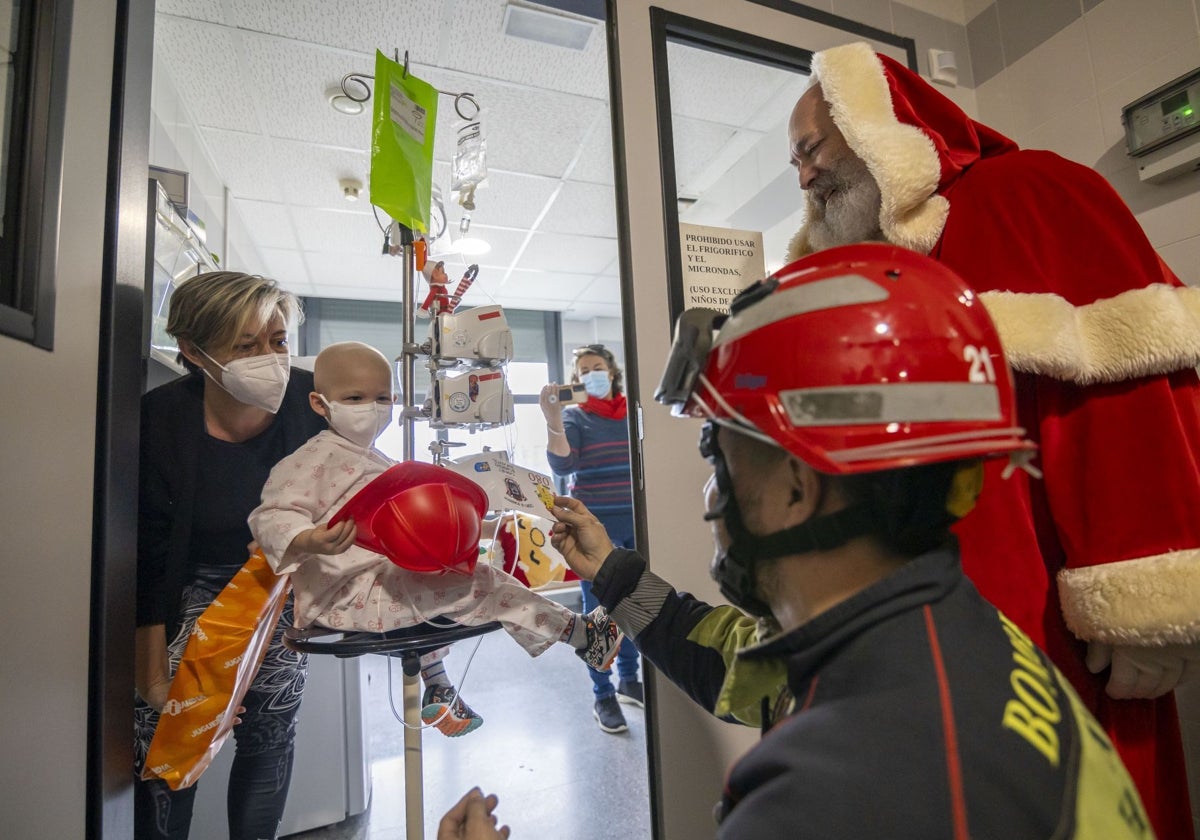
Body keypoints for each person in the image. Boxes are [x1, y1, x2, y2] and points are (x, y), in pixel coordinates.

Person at [549, 245, 1156, 837]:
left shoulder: (831, 796)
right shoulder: (939, 637)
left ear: (797, 485)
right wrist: (608, 568)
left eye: (719, 456)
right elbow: (737, 662)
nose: (711, 495)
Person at [777, 42, 1200, 838]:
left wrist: (1149, 600)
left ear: (875, 123)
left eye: (812, 148)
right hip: (918, 651)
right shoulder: (871, 286)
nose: (802, 177)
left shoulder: (1027, 191)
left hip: (1053, 638)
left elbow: (1134, 384)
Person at [248, 341, 625, 737]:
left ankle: (439, 688)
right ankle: (582, 634)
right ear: (320, 404)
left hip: (375, 582)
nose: (372, 408)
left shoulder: (378, 462)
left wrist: (481, 527)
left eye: (383, 398)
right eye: (354, 397)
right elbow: (271, 516)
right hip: (347, 594)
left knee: (432, 579)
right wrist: (307, 539)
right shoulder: (309, 461)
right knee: (482, 582)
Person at [134, 271, 327, 839]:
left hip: (279, 590)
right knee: (169, 741)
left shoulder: (312, 403)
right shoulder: (158, 421)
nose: (269, 358)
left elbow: (350, 497)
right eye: (245, 346)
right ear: (193, 351)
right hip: (187, 591)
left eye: (278, 341)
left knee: (268, 734)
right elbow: (145, 556)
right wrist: (151, 679)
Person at [540, 344, 643, 734]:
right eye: (582, 372)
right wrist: (553, 419)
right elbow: (564, 464)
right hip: (595, 527)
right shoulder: (576, 417)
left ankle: (630, 680)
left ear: (612, 372)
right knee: (599, 613)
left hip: (637, 520)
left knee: (634, 603)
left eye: (596, 368)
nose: (590, 375)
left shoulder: (632, 412)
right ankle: (603, 696)